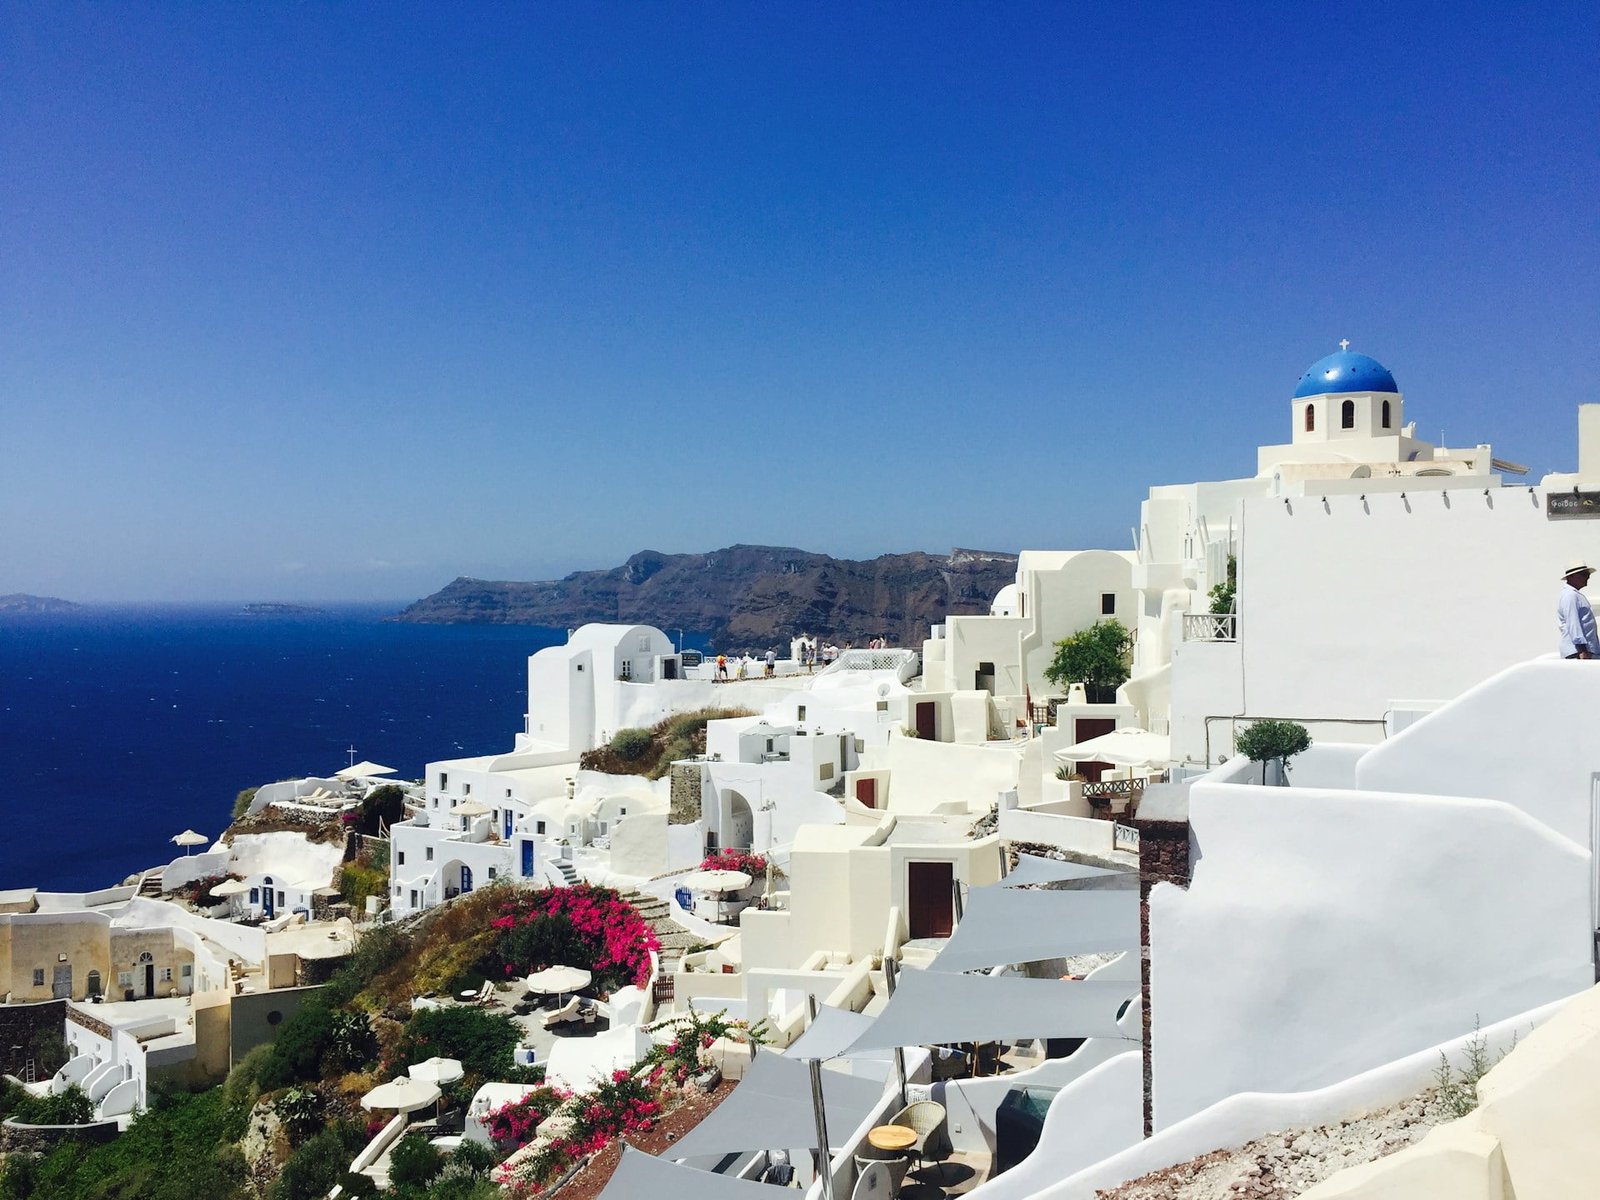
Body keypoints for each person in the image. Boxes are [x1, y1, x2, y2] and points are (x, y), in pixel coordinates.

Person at [1557, 559, 1600, 659]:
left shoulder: (1574, 595)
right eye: (1584, 574)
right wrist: (1582, 650)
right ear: (1572, 576)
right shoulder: (1570, 596)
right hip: (1579, 652)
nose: (1588, 577)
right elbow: (1573, 623)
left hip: (1585, 651)